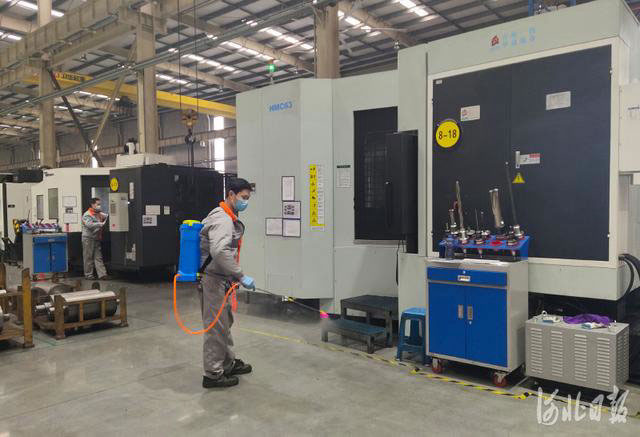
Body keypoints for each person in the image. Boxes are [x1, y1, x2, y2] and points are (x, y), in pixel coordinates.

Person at [199, 178, 255, 388]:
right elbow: (219, 251)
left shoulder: (228, 216)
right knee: (216, 327)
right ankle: (213, 374)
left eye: (248, 198)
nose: (245, 202)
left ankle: (227, 363)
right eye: (243, 197)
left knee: (224, 324)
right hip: (213, 280)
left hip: (222, 280)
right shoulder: (222, 219)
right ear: (231, 195)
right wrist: (241, 275)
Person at [81, 198, 108, 280]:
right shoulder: (87, 214)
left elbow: (108, 216)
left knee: (98, 257)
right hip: (88, 238)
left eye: (100, 204)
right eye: (98, 204)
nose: (99, 206)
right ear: (92, 205)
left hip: (96, 238)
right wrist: (101, 224)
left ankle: (102, 275)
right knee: (88, 257)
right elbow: (89, 225)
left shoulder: (98, 213)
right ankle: (88, 275)